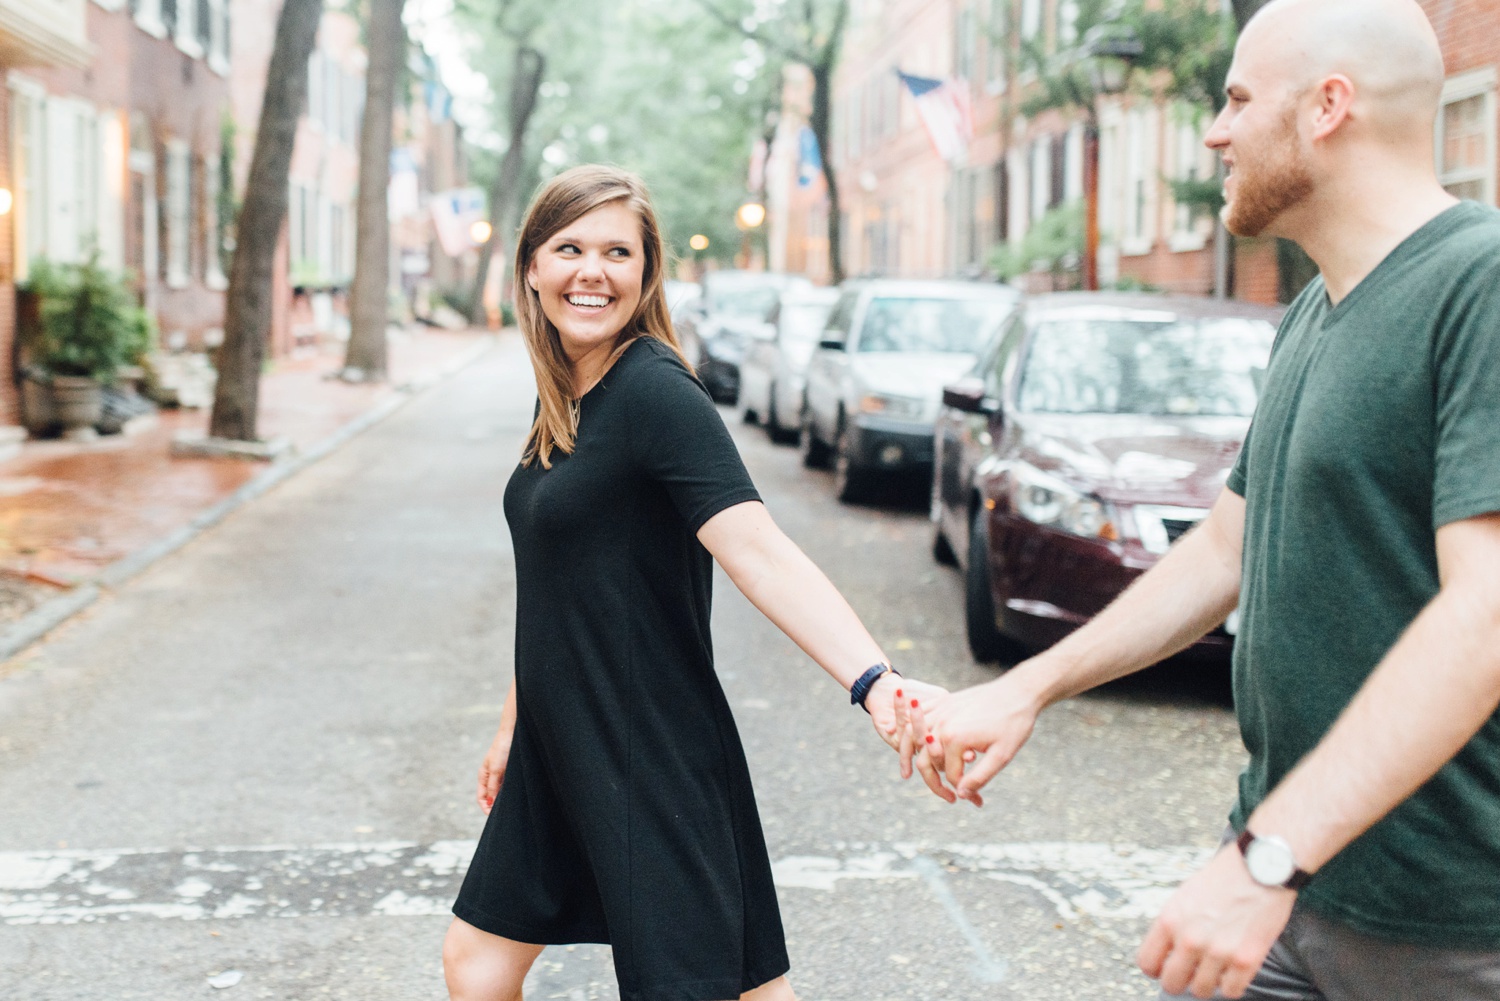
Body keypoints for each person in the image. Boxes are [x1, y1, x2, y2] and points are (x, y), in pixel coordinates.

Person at [898, 1, 1500, 998]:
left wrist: (1270, 855)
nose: (1215, 131)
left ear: (1328, 108)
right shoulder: (1313, 309)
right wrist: (1028, 684)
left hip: (1446, 926)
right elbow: (1223, 552)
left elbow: (1484, 616)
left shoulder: (1478, 283)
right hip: (1288, 887)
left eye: (1236, 99)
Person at [442, 164, 941, 1001]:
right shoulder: (568, 389)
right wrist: (512, 723)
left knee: (718, 988)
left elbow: (758, 551)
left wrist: (874, 681)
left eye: (616, 251)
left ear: (645, 272)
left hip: (646, 747)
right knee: (478, 962)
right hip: (559, 742)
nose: (591, 271)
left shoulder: (654, 392)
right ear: (531, 264)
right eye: (569, 248)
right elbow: (559, 586)